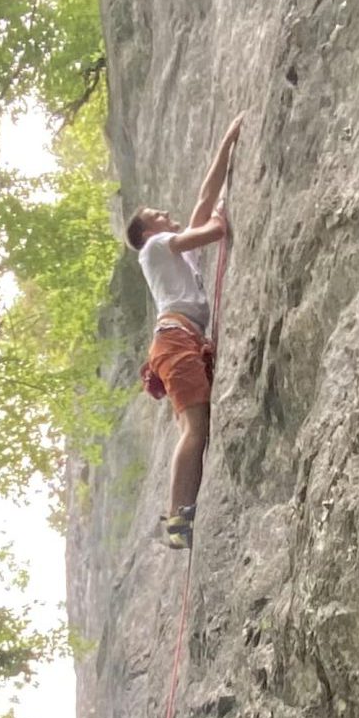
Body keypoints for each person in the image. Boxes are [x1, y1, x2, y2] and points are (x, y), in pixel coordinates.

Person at [126, 114, 243, 549]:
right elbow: (214, 228)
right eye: (159, 215)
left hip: (179, 339)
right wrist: (221, 217)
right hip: (176, 339)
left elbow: (203, 197)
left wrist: (228, 141)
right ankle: (177, 519)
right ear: (147, 232)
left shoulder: (174, 257)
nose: (168, 215)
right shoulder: (156, 247)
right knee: (194, 428)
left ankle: (181, 515)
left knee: (197, 425)